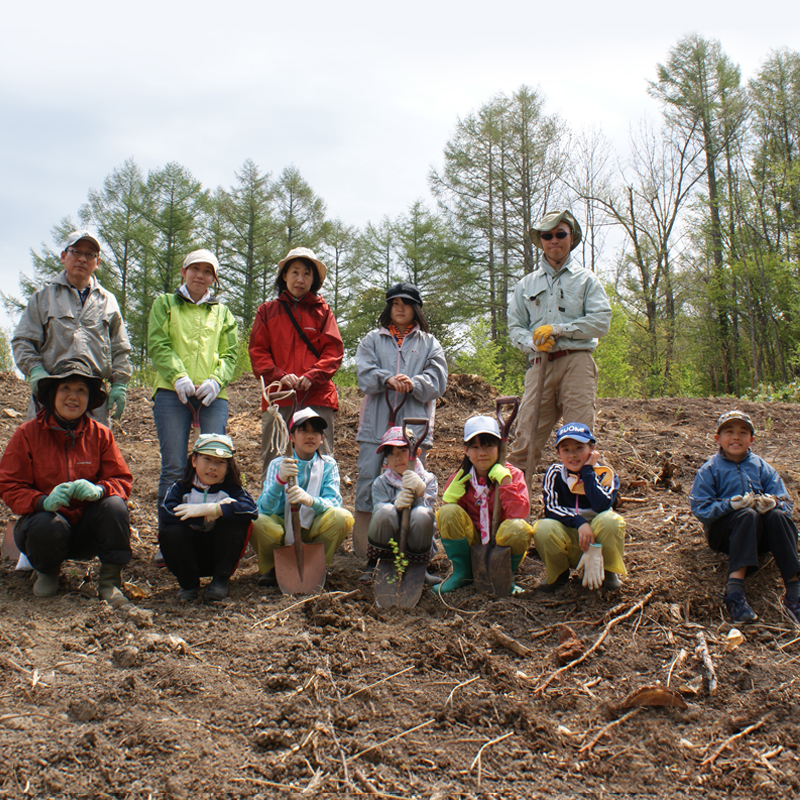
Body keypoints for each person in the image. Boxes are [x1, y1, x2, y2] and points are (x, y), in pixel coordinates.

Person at [0, 359, 132, 603]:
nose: (74, 397)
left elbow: (122, 479)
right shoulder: (27, 434)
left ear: (89, 398)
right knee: (44, 523)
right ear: (52, 395)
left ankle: (110, 582)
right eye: (66, 389)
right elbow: (9, 484)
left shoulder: (100, 434)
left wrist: (99, 490)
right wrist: (41, 501)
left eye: (81, 390)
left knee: (114, 506)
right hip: (43, 529)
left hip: (85, 531)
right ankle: (47, 573)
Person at [506, 210, 612, 481]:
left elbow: (601, 322)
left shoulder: (587, 280)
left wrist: (559, 329)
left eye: (560, 234)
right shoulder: (525, 284)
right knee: (525, 441)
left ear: (571, 237)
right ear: (541, 240)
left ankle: (581, 512)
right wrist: (532, 342)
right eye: (547, 235)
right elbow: (515, 327)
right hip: (539, 364)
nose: (554, 240)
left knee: (579, 440)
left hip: (577, 362)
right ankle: (510, 513)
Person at [353, 283, 448, 554]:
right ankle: (368, 548)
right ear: (388, 307)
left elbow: (437, 381)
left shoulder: (430, 343)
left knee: (413, 482)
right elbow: (364, 375)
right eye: (395, 303)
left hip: (413, 429)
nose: (400, 307)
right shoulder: (372, 339)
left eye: (406, 303)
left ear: (415, 308)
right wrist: (387, 379)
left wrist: (413, 382)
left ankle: (413, 547)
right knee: (369, 480)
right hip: (376, 425)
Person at [689, 410, 800, 624]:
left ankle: (794, 593)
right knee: (746, 514)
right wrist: (730, 505)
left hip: (762, 537)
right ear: (717, 439)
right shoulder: (710, 470)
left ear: (752, 440)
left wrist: (773, 502)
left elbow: (787, 503)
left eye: (743, 432)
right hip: (726, 536)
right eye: (729, 432)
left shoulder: (761, 467)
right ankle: (735, 592)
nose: (736, 437)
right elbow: (701, 508)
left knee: (777, 516)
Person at [147, 248, 239, 505]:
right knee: (174, 467)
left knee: (214, 465)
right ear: (184, 271)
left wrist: (216, 380)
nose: (200, 275)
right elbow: (158, 344)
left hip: (213, 397)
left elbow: (229, 353)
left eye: (207, 271)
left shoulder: (222, 312)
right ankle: (169, 539)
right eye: (195, 269)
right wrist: (178, 376)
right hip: (170, 392)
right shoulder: (165, 304)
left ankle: (207, 533)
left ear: (214, 279)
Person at [12, 230, 132, 426]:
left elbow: (120, 347)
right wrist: (35, 370)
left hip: (93, 396)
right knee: (44, 451)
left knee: (91, 453)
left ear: (97, 262)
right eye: (76, 252)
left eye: (90, 254)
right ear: (63, 256)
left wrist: (119, 383)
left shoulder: (107, 301)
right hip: (51, 391)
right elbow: (23, 340)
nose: (82, 259)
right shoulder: (43, 296)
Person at [249, 247, 344, 485]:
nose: (300, 279)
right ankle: (272, 516)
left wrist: (313, 375)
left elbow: (333, 351)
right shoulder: (267, 311)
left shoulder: (323, 311)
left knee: (321, 459)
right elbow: (258, 352)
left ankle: (322, 514)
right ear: (284, 276)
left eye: (307, 274)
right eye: (295, 272)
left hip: (317, 395)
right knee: (275, 459)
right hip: (279, 397)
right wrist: (280, 376)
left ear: (314, 280)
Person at [251, 408, 353, 586]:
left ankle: (316, 565)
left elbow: (334, 502)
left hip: (312, 526)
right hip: (282, 527)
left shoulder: (328, 465)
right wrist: (279, 481)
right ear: (291, 437)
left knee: (342, 517)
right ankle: (273, 568)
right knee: (256, 522)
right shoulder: (278, 464)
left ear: (322, 438)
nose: (310, 436)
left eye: (315, 431)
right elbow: (264, 508)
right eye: (303, 430)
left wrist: (310, 501)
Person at [434, 415, 533, 594]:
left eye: (489, 446)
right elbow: (450, 522)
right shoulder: (460, 479)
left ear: (499, 447)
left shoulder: (512, 475)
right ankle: (463, 573)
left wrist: (505, 483)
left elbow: (519, 514)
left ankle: (504, 576)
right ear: (466, 450)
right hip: (473, 542)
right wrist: (449, 500)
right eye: (476, 447)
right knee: (447, 512)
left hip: (500, 541)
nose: (482, 452)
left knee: (519, 528)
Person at [159, 434, 258, 602]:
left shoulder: (231, 489)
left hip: (220, 553)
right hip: (188, 554)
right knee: (171, 532)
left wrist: (215, 509)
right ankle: (188, 584)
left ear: (228, 467)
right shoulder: (180, 488)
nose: (213, 467)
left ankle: (220, 580)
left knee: (236, 521)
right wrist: (200, 518)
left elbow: (251, 510)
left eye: (220, 462)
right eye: (207, 459)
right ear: (194, 460)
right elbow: (167, 513)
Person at [533, 422, 626, 592]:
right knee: (543, 527)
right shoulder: (555, 473)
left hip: (598, 542)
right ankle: (558, 574)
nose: (572, 455)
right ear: (558, 453)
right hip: (571, 539)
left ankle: (609, 571)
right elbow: (551, 508)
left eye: (579, 448)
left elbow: (602, 505)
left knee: (610, 520)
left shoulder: (605, 474)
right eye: (566, 450)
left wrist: (588, 472)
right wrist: (578, 522)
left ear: (592, 449)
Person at [365, 426, 437, 577]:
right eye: (391, 454)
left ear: (416, 452)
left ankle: (419, 568)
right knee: (384, 511)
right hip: (389, 541)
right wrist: (395, 505)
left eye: (402, 451)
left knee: (422, 514)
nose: (397, 457)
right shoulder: (381, 483)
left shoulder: (428, 480)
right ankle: (376, 563)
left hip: (415, 541)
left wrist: (419, 495)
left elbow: (428, 516)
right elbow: (379, 517)